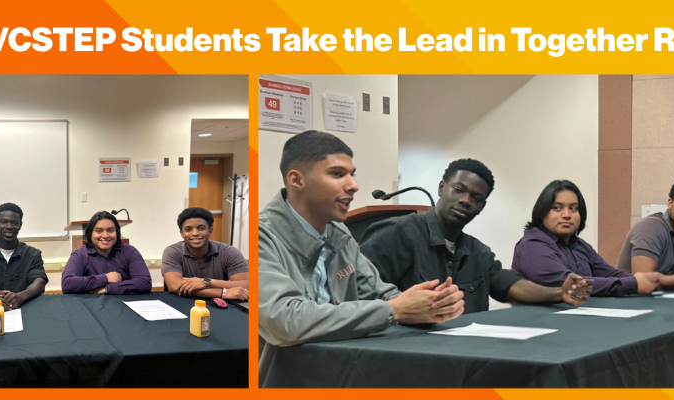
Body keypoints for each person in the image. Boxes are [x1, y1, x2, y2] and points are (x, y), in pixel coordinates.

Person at [259, 131, 466, 384]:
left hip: (343, 373)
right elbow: (285, 321)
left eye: (352, 174)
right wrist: (394, 310)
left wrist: (430, 304)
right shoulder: (262, 235)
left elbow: (378, 293)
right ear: (296, 180)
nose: (353, 185)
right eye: (337, 174)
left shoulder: (339, 232)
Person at [360, 159, 592, 313]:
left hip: (467, 355)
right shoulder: (398, 234)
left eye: (476, 198)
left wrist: (559, 293)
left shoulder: (477, 252)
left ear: (481, 207)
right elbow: (360, 296)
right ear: (442, 187)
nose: (465, 200)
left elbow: (508, 285)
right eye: (459, 190)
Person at [512, 180, 660, 296]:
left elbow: (610, 274)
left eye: (573, 208)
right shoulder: (532, 246)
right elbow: (572, 286)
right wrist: (634, 283)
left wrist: (647, 280)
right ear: (542, 211)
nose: (566, 215)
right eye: (557, 208)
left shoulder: (579, 245)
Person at [162, 207, 249, 300]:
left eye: (201, 228)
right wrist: (223, 293)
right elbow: (175, 286)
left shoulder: (229, 252)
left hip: (222, 306)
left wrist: (207, 282)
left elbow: (247, 284)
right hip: (183, 302)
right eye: (188, 229)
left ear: (210, 231)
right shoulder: (172, 251)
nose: (195, 233)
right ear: (182, 233)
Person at [61, 211, 152, 294]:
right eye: (99, 231)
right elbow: (67, 284)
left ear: (117, 232)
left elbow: (144, 282)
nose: (105, 236)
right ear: (90, 233)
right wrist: (106, 278)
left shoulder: (130, 252)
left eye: (110, 230)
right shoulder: (80, 254)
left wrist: (108, 289)